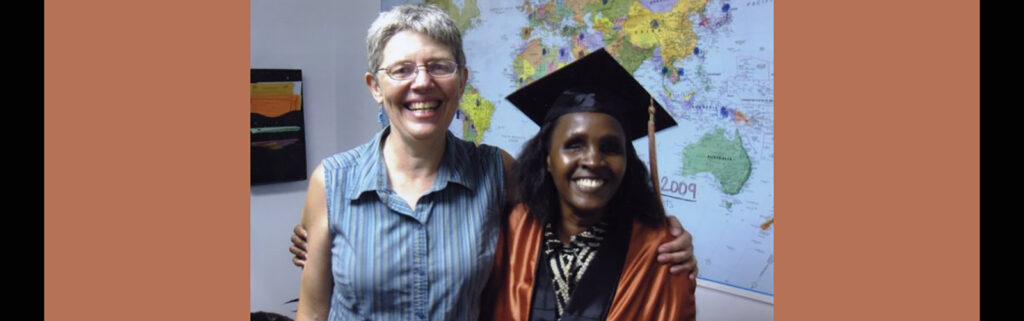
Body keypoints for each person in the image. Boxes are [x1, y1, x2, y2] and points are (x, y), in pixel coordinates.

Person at [294, 4, 695, 321]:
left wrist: (667, 235)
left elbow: (570, 201)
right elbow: (312, 312)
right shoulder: (333, 182)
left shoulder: (495, 172)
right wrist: (311, 234)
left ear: (461, 81)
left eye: (439, 66)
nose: (422, 82)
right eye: (402, 70)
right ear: (375, 87)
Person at [487, 48, 696, 320]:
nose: (594, 161)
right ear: (548, 158)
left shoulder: (660, 253)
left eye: (610, 147)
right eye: (574, 145)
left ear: (627, 162)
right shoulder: (511, 232)